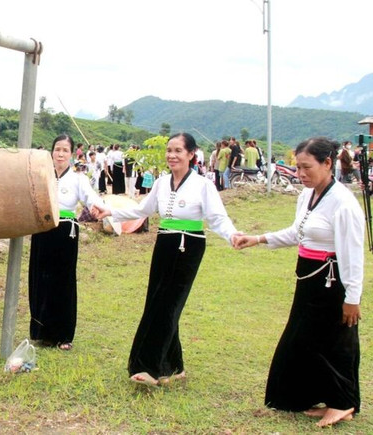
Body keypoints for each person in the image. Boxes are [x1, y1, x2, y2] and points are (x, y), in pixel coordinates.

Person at [234, 137, 363, 428]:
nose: (301, 173)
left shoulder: (343, 203)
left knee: (336, 343)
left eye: (307, 167)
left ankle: (342, 403)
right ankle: (315, 396)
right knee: (305, 341)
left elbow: (353, 254)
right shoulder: (306, 196)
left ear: (328, 164)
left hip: (332, 281)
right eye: (298, 167)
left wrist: (352, 297)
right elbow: (297, 233)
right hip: (308, 280)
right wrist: (257, 238)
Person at [92, 132, 240, 386]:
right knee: (157, 301)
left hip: (189, 246)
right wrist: (112, 212)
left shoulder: (203, 185)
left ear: (191, 154)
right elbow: (142, 209)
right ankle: (174, 366)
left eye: (178, 151)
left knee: (169, 305)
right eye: (169, 150)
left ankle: (149, 367)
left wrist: (233, 236)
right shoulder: (161, 182)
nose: (172, 155)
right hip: (164, 243)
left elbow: (217, 218)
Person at [29, 134, 108, 351]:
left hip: (65, 232)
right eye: (57, 149)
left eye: (65, 150)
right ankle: (41, 331)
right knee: (40, 279)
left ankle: (63, 334)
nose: (60, 154)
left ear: (71, 154)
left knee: (62, 281)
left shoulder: (78, 178)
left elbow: (90, 197)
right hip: (42, 229)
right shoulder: (41, 176)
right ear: (51, 152)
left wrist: (98, 207)